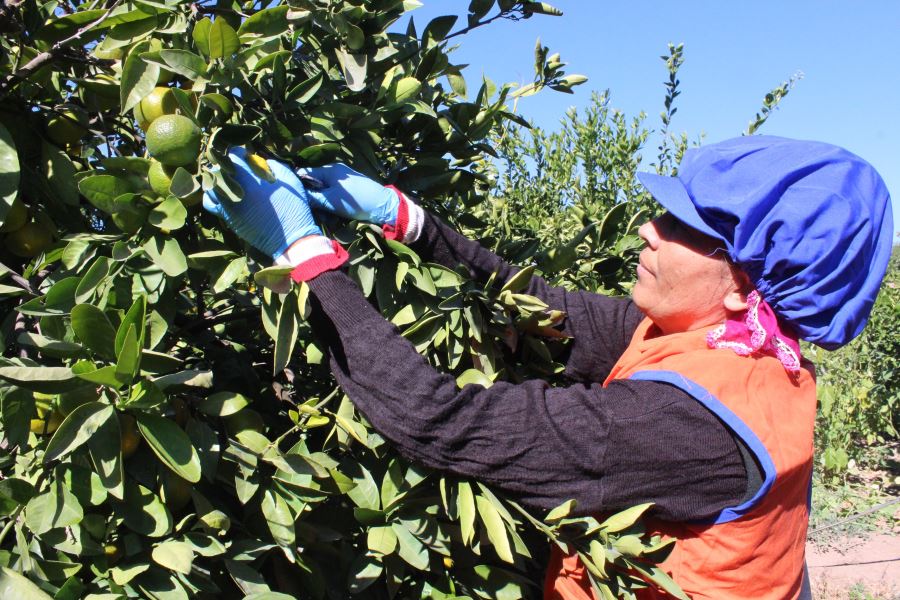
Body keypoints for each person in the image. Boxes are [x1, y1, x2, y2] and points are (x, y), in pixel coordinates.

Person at [203, 136, 893, 599]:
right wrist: (405, 219)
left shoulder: (685, 425)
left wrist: (308, 259)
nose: (649, 229)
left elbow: (442, 421)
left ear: (746, 282)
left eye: (683, 228)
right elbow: (543, 310)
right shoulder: (739, 342)